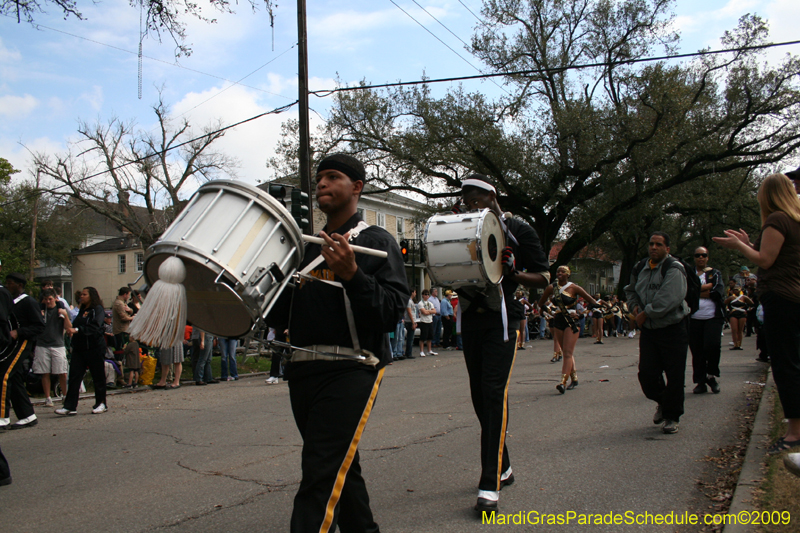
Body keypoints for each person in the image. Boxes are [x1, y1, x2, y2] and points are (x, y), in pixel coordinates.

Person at [265, 153, 409, 532]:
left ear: (356, 187)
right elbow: (280, 317)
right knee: (342, 468)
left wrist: (352, 275)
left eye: (333, 177)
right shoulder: (305, 248)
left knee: (320, 474)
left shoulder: (377, 242)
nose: (322, 184)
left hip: (351, 368)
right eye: (320, 179)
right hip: (302, 369)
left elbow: (390, 313)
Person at [457, 174, 550, 512]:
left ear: (493, 198)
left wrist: (514, 274)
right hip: (471, 318)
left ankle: (489, 484)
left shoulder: (518, 230)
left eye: (477, 197)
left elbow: (543, 275)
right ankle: (504, 466)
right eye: (466, 198)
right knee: (480, 397)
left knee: (494, 393)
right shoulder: (462, 226)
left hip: (502, 320)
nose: (471, 203)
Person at [713, 173, 800, 454]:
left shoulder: (777, 219)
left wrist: (740, 247)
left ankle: (795, 433)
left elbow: (766, 260)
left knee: (786, 364)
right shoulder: (795, 220)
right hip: (794, 297)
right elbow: (774, 256)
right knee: (794, 360)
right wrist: (750, 244)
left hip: (781, 298)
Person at [625, 232, 690, 435]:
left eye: (659, 244)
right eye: (651, 244)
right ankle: (663, 402)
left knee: (675, 375)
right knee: (647, 375)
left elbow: (669, 297)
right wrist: (634, 307)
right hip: (650, 332)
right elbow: (630, 290)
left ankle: (672, 417)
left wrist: (646, 313)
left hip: (673, 329)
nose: (654, 247)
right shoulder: (640, 267)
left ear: (667, 249)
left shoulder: (674, 268)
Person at [538, 266, 599, 393]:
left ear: (568, 274)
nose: (559, 273)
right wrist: (551, 311)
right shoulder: (551, 288)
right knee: (566, 352)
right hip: (558, 320)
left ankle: (562, 382)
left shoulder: (574, 287)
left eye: (563, 272)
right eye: (558, 271)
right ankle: (574, 378)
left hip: (572, 321)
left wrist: (582, 314)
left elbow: (593, 302)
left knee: (567, 353)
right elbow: (540, 303)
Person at [1, 273, 45, 429]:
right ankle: (27, 415)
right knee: (15, 378)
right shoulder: (9, 301)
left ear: (19, 285)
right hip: (9, 345)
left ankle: (2, 418)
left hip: (22, 344)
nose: (7, 286)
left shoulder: (28, 302)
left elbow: (39, 326)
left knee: (4, 375)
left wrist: (19, 332)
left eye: (10, 283)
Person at [56, 287, 108, 416]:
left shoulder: (97, 310)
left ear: (92, 296)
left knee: (98, 376)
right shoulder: (82, 310)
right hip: (80, 349)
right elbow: (75, 324)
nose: (82, 297)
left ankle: (101, 403)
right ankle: (70, 406)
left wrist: (78, 330)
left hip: (94, 347)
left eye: (85, 294)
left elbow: (96, 326)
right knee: (74, 377)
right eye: (81, 294)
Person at [688, 247, 725, 394]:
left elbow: (717, 292)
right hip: (694, 318)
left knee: (712, 345)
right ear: (694, 258)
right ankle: (700, 381)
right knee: (697, 351)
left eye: (703, 255)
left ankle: (711, 375)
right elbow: (686, 291)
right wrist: (704, 289)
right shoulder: (689, 274)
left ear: (707, 257)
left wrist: (697, 291)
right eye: (697, 255)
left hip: (713, 317)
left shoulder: (715, 273)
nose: (700, 258)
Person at [33, 289, 73, 407]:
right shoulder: (41, 310)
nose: (48, 302)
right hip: (42, 344)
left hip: (58, 344)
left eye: (50, 299)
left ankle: (65, 396)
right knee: (44, 372)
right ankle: (48, 397)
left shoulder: (60, 310)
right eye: (46, 299)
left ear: (55, 298)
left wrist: (65, 315)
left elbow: (68, 328)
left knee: (62, 371)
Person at [724, 286, 753, 351]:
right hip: (733, 314)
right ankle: (735, 344)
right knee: (734, 330)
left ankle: (739, 344)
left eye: (737, 290)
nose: (735, 291)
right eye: (734, 290)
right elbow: (724, 304)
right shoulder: (731, 298)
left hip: (742, 314)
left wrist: (748, 309)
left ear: (740, 290)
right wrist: (728, 310)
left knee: (740, 330)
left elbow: (752, 303)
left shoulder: (744, 297)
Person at [417, 289, 436, 357]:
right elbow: (423, 312)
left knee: (430, 337)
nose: (427, 296)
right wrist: (429, 311)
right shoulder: (420, 303)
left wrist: (428, 311)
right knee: (423, 337)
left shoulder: (430, 303)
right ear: (423, 295)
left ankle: (429, 350)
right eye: (425, 294)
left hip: (430, 321)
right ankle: (421, 351)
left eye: (428, 294)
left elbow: (434, 311)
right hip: (424, 321)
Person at [403, 289, 417, 359]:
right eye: (415, 292)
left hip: (412, 321)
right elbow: (409, 312)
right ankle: (408, 353)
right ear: (412, 293)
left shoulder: (411, 301)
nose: (415, 294)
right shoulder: (409, 301)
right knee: (410, 338)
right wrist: (413, 322)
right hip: (409, 322)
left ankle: (409, 352)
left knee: (411, 338)